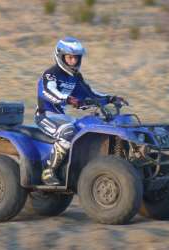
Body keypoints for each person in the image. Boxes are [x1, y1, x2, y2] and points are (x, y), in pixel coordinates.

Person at [35, 37, 128, 185]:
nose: (73, 61)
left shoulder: (75, 77)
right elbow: (48, 92)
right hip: (46, 116)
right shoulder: (50, 74)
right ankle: (48, 171)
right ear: (60, 56)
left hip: (62, 116)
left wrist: (111, 99)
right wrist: (68, 99)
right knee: (68, 133)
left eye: (76, 58)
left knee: (85, 130)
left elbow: (90, 94)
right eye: (69, 57)